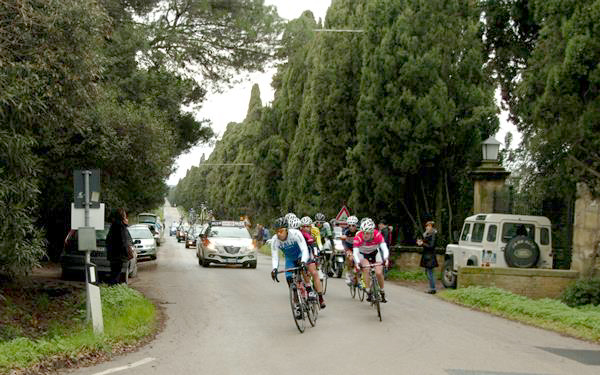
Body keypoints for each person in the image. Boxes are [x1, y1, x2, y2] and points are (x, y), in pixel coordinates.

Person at [270, 217, 326, 310]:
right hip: (290, 259)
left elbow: (304, 249)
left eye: (281, 231)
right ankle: (297, 304)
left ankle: (309, 288)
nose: (279, 234)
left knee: (305, 267)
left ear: (287, 230)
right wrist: (274, 268)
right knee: (289, 279)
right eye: (277, 231)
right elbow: (275, 257)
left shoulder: (296, 234)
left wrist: (304, 262)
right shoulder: (275, 240)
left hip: (301, 254)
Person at [353, 218, 390, 302]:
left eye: (368, 233)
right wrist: (358, 263)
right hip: (363, 254)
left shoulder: (377, 235)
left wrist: (385, 259)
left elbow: (384, 249)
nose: (365, 235)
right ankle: (369, 291)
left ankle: (382, 291)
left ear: (372, 232)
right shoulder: (358, 236)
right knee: (366, 269)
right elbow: (355, 252)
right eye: (364, 233)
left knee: (379, 272)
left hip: (375, 253)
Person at [106, 208, 130, 285]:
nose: (126, 217)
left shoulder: (114, 225)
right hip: (118, 255)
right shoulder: (120, 226)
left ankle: (113, 287)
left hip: (113, 254)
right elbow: (124, 241)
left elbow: (108, 240)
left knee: (114, 273)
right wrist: (127, 253)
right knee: (116, 274)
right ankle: (113, 288)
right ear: (122, 216)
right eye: (125, 215)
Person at [417, 220, 438, 294]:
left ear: (432, 227)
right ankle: (432, 287)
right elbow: (426, 243)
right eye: (426, 226)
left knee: (430, 272)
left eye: (429, 226)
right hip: (427, 255)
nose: (427, 227)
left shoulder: (433, 235)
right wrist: (421, 243)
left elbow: (431, 246)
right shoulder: (427, 234)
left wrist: (423, 243)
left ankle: (433, 288)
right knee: (427, 272)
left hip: (430, 256)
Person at [342, 215, 360, 285]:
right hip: (348, 247)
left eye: (353, 225)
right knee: (350, 258)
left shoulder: (359, 230)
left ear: (356, 225)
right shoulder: (345, 230)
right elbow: (343, 242)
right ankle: (348, 274)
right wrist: (347, 250)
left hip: (357, 247)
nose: (351, 227)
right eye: (349, 225)